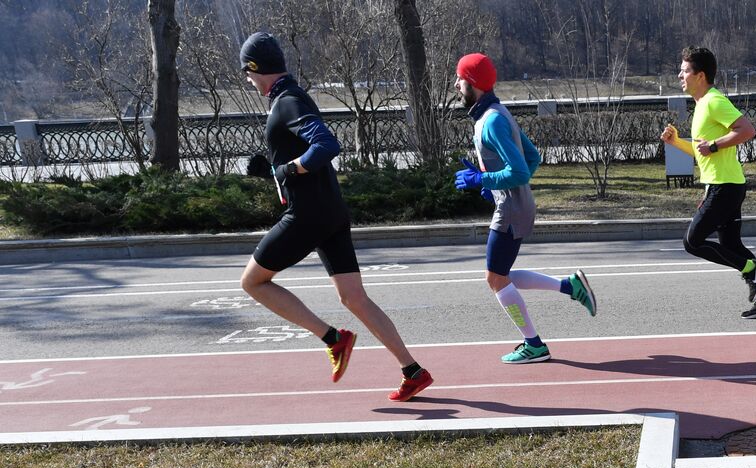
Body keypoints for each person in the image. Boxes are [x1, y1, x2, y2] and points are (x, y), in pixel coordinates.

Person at [237, 32, 433, 401]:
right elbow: (300, 154)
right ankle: (413, 370)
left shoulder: (288, 101)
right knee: (354, 298)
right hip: (331, 212)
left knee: (252, 282)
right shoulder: (291, 97)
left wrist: (290, 170)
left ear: (255, 68)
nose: (247, 80)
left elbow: (327, 144)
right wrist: (275, 170)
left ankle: (333, 339)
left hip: (308, 216)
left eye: (246, 72)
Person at [453, 53, 596, 365]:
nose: (456, 84)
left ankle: (534, 345)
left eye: (460, 79)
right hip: (515, 206)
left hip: (512, 211)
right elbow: (532, 158)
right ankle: (569, 286)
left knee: (495, 279)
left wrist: (483, 179)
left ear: (472, 84)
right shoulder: (496, 112)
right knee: (500, 275)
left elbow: (519, 170)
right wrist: (495, 185)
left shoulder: (489, 121)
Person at [661, 46, 756, 319]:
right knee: (731, 247)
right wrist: (677, 142)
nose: (679, 75)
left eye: (684, 71)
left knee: (692, 242)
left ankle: (752, 269)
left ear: (700, 75)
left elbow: (748, 130)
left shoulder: (714, 101)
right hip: (723, 184)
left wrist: (715, 145)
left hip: (725, 186)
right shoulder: (702, 105)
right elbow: (701, 151)